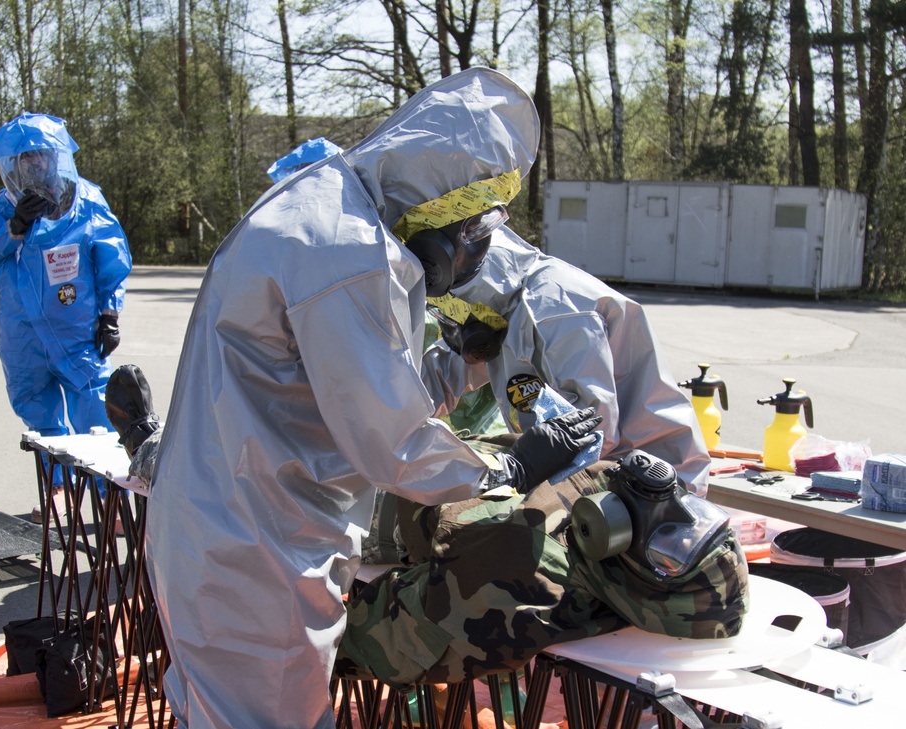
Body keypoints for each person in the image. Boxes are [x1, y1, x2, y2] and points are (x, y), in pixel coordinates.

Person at [144, 67, 603, 729]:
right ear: (439, 206)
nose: (474, 251)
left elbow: (350, 382)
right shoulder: (348, 253)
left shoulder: (330, 211)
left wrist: (461, 362)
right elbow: (396, 444)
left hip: (222, 526)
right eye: (472, 232)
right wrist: (513, 468)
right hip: (253, 549)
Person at [335, 443, 749, 689]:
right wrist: (509, 464)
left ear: (650, 595)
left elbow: (363, 641)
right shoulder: (608, 491)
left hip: (350, 507)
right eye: (695, 513)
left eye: (667, 545)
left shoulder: (524, 587)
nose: (666, 507)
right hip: (392, 463)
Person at [423, 225, 711, 495]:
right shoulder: (493, 309)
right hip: (592, 478)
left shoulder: (556, 313)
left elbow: (591, 439)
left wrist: (512, 470)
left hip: (650, 486)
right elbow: (440, 373)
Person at [0, 112, 132, 521]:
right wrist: (14, 228)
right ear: (12, 166)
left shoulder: (87, 199)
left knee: (97, 416)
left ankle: (110, 498)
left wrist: (110, 312)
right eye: (24, 158)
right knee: (40, 419)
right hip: (23, 335)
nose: (35, 164)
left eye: (41, 154)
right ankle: (58, 494)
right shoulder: (4, 207)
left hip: (77, 331)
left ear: (57, 157)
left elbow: (111, 255)